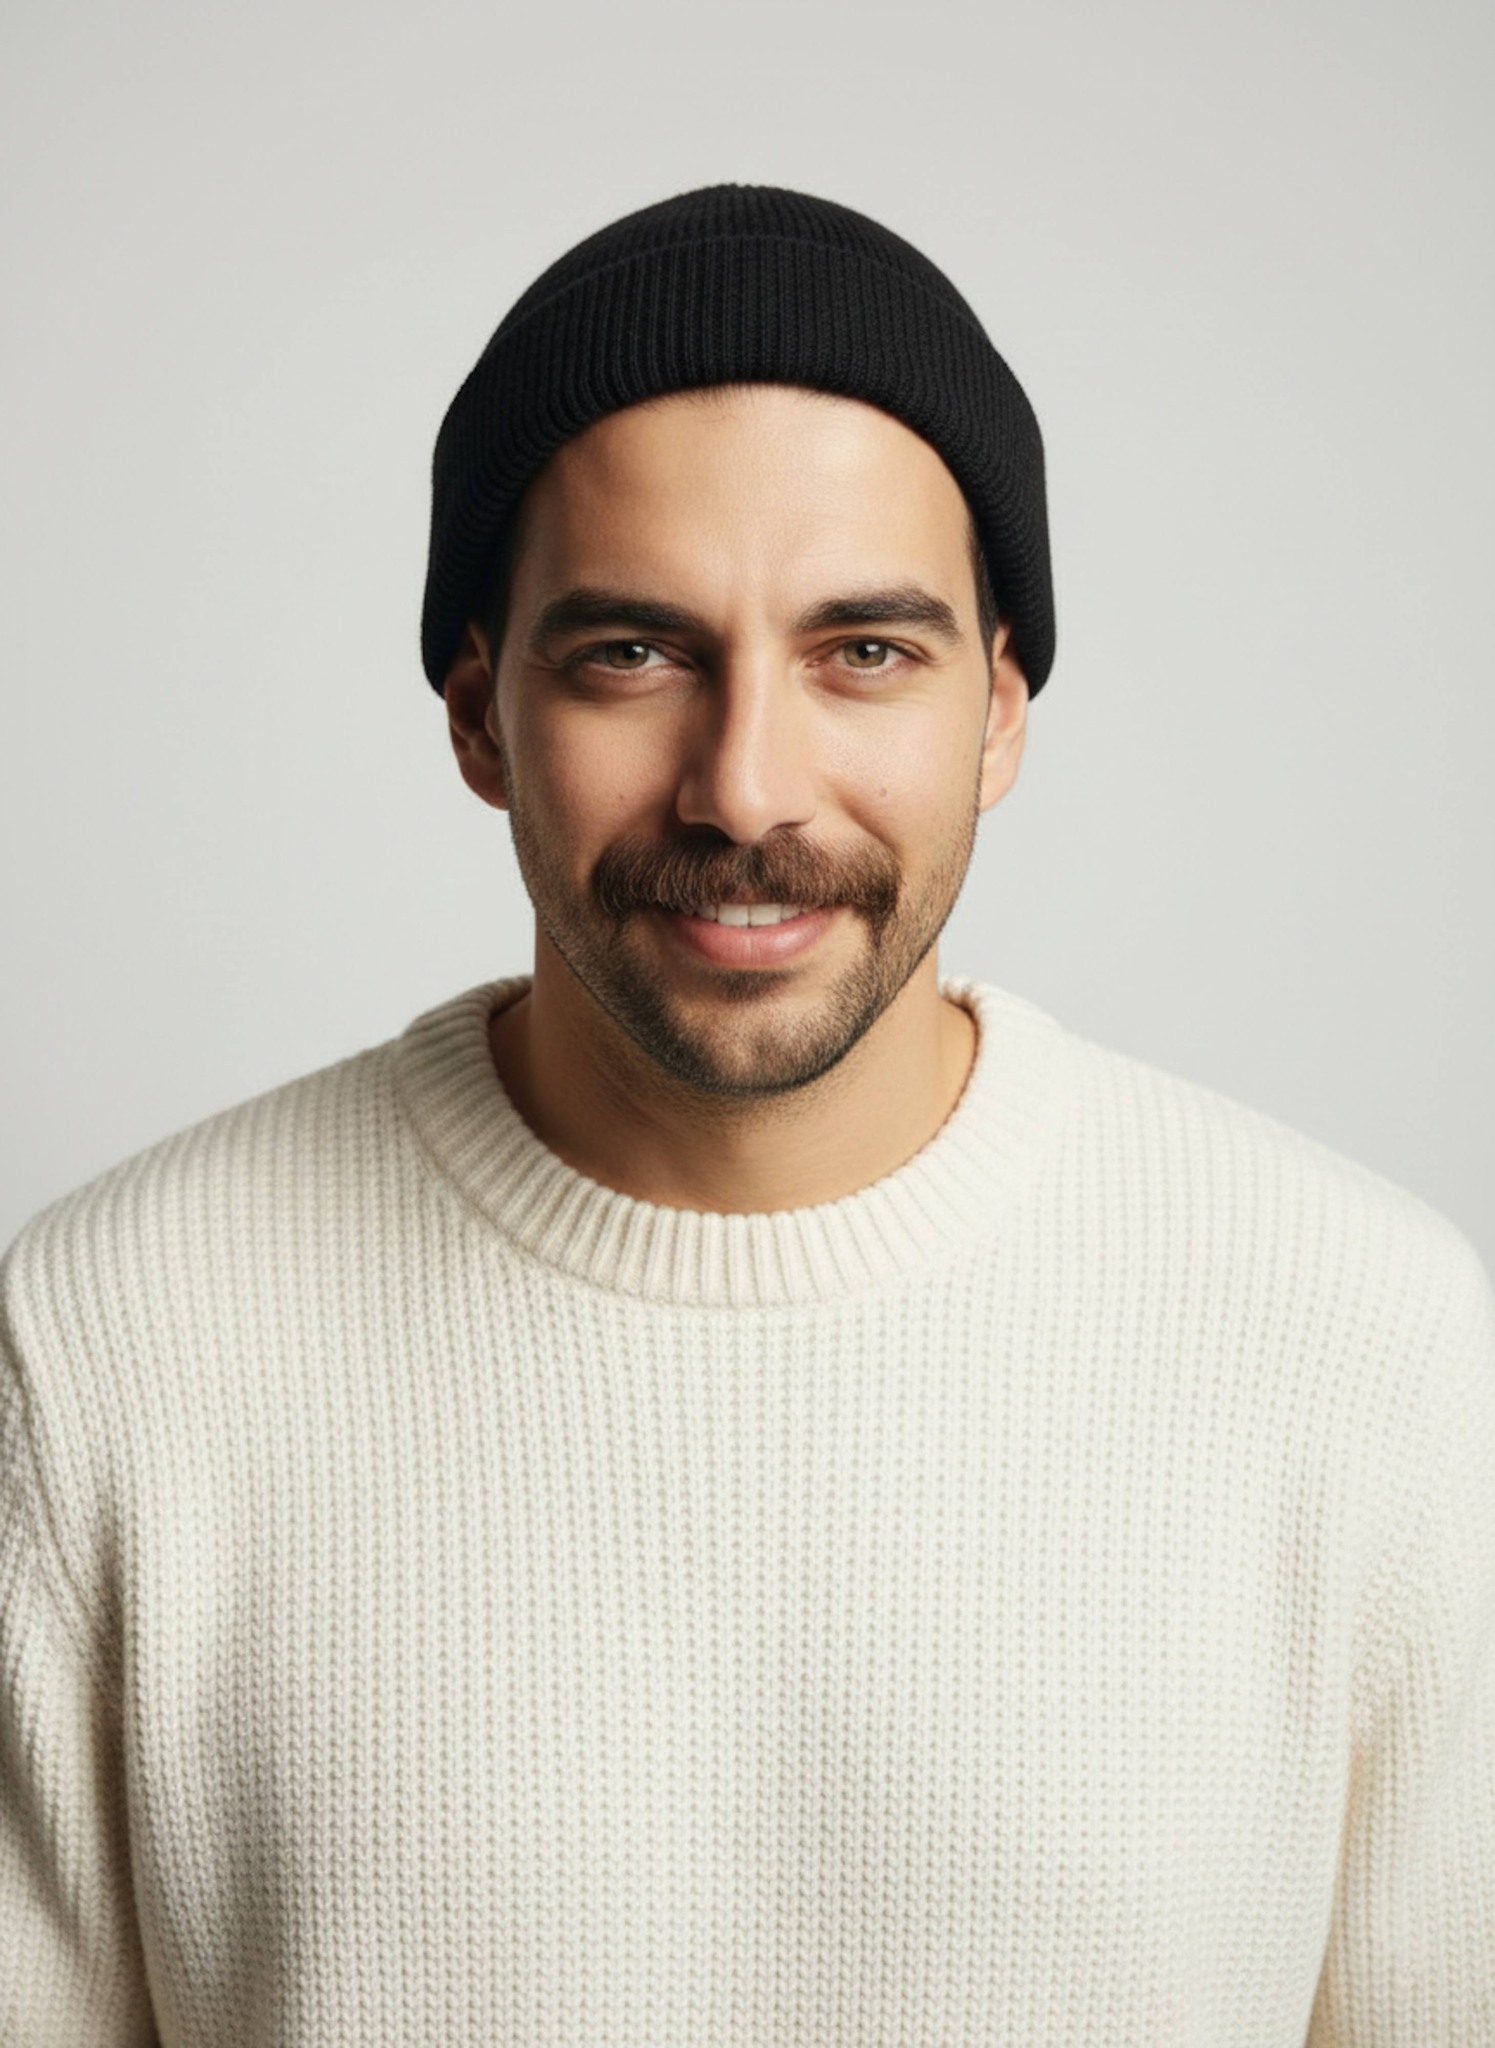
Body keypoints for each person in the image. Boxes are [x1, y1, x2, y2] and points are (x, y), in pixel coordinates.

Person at [2, 183, 1491, 2047]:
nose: (746, 786)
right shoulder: (112, 1346)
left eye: (866, 650)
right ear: (478, 717)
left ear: (1003, 714)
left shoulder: (1369, 1347)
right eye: (632, 653)